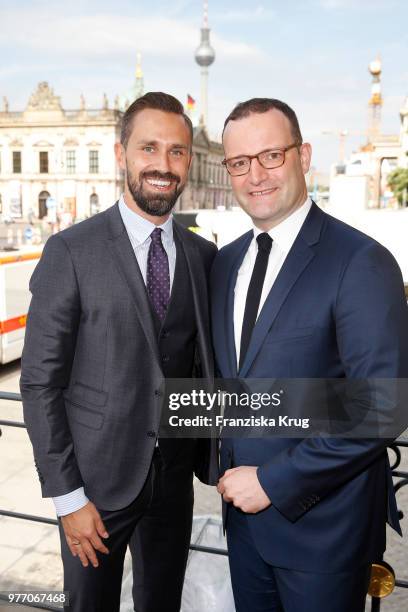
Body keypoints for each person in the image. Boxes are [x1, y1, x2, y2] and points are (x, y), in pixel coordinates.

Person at [20, 92, 218, 612]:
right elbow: (40, 381)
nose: (162, 165)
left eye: (176, 152)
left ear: (189, 162)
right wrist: (68, 498)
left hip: (172, 487)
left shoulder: (203, 256)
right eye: (148, 148)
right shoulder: (71, 251)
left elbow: (203, 368)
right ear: (121, 154)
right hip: (93, 490)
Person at [211, 98, 408, 612]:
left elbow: (381, 406)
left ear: (304, 155)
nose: (255, 175)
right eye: (239, 162)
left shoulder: (361, 261)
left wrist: (272, 482)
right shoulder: (225, 264)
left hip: (325, 534)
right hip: (243, 529)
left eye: (271, 156)